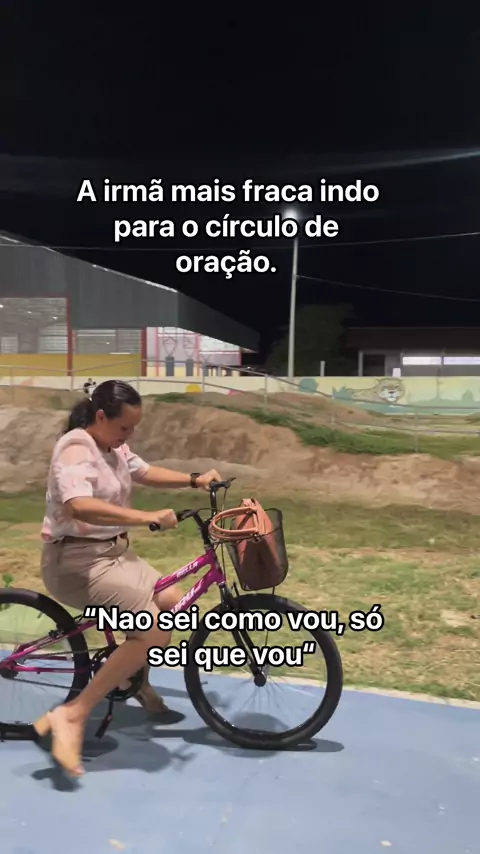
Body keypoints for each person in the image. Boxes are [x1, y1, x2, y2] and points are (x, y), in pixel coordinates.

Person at [34, 379, 222, 777]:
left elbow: (144, 471)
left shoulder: (112, 445)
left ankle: (133, 681)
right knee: (151, 628)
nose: (129, 435)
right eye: (125, 427)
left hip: (114, 555)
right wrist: (146, 517)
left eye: (134, 428)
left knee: (173, 604)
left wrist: (194, 480)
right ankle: (73, 713)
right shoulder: (75, 447)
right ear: (101, 417)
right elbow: (79, 505)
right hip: (76, 563)